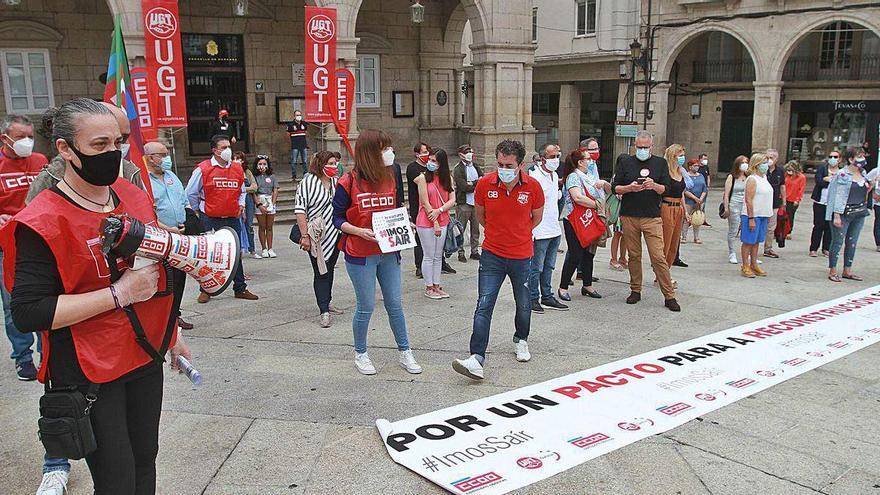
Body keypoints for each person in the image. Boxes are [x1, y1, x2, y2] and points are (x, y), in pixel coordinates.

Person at [2, 97, 191, 494]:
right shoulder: (41, 220)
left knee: (145, 459)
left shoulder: (131, 195)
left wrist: (171, 333)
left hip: (142, 351)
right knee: (115, 476)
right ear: (66, 150)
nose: (112, 153)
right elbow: (28, 311)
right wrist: (118, 294)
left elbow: (150, 268)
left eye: (116, 143)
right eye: (99, 145)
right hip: (88, 367)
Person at [452, 140, 544, 380]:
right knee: (484, 304)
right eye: (500, 163)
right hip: (492, 254)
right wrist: (498, 233)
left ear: (520, 164)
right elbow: (481, 216)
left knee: (524, 303)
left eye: (509, 164)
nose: (503, 168)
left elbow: (536, 218)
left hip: (522, 255)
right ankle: (476, 357)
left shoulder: (533, 187)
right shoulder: (484, 184)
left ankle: (521, 339)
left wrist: (518, 235)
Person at [332, 129, 421, 375]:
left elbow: (394, 208)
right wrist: (358, 231)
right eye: (384, 148)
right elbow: (336, 218)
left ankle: (405, 351)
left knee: (395, 303)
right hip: (360, 253)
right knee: (366, 305)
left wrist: (405, 223)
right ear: (370, 152)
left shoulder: (391, 175)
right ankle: (360, 353)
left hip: (389, 251)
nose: (389, 153)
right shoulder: (347, 182)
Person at [184, 134, 259, 302]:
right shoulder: (203, 169)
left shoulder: (237, 168)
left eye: (229, 147)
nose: (228, 150)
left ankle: (240, 288)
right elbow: (190, 193)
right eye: (224, 147)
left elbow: (241, 190)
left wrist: (241, 204)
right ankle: (206, 289)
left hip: (232, 217)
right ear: (215, 151)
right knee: (210, 255)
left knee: (235, 254)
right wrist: (197, 211)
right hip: (210, 217)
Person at [0, 114, 47, 381]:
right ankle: (23, 357)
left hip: (38, 241)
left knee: (42, 299)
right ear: (4, 138)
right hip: (6, 245)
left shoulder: (40, 162)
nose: (27, 142)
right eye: (20, 137)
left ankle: (45, 351)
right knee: (12, 304)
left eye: (30, 136)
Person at [611, 131, 680, 312]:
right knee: (634, 255)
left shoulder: (660, 163)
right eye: (639, 147)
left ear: (651, 146)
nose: (642, 150)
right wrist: (629, 188)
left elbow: (667, 188)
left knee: (658, 256)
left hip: (652, 216)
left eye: (645, 147)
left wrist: (654, 186)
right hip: (630, 215)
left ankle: (669, 294)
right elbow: (615, 186)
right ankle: (635, 289)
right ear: (635, 146)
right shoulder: (626, 162)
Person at [27, 104, 144, 205]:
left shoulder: (131, 180)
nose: (113, 150)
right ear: (65, 148)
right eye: (100, 143)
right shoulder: (50, 181)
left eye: (119, 141)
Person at [144, 140, 195, 331]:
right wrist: (168, 228)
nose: (167, 158)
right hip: (160, 237)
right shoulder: (143, 179)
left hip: (180, 236)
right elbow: (146, 213)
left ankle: (175, 314)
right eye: (163, 155)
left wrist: (187, 220)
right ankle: (163, 318)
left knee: (180, 278)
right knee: (164, 279)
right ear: (151, 158)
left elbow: (184, 201)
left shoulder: (172, 176)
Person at [295, 150, 344, 327]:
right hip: (316, 234)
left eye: (335, 163)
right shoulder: (308, 182)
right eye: (330, 163)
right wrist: (305, 236)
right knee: (320, 271)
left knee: (330, 269)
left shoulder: (335, 182)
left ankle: (328, 301)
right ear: (321, 164)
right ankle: (323, 309)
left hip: (334, 232)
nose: (334, 166)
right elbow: (300, 210)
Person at [558, 146, 608, 302]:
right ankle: (563, 287)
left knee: (589, 253)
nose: (591, 161)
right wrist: (598, 205)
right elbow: (577, 197)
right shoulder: (574, 177)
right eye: (588, 158)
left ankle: (587, 285)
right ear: (580, 162)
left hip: (587, 218)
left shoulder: (588, 176)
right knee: (575, 253)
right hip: (575, 219)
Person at [528, 144, 568, 313]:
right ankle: (532, 298)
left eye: (558, 156)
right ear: (543, 158)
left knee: (549, 266)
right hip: (540, 230)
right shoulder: (535, 176)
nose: (556, 160)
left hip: (554, 228)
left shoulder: (554, 176)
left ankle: (547, 295)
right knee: (536, 267)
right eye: (552, 157)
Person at [414, 149, 456, 299]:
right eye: (430, 160)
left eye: (434, 161)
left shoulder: (447, 179)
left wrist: (440, 210)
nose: (431, 163)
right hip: (426, 221)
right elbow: (425, 203)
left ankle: (437, 285)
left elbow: (452, 199)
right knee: (429, 254)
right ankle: (429, 286)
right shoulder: (422, 178)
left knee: (438, 255)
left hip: (442, 217)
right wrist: (436, 220)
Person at [826, 147, 872, 282]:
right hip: (843, 212)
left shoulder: (863, 173)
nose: (862, 159)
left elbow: (865, 192)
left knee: (852, 242)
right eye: (859, 157)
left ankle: (847, 270)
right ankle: (833, 270)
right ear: (851, 159)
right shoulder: (842, 175)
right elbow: (836, 196)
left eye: (863, 156)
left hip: (859, 212)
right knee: (837, 241)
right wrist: (836, 215)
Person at [740, 153, 773, 278]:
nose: (766, 165)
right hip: (753, 215)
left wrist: (769, 212)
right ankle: (745, 265)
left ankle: (754, 263)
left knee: (756, 241)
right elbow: (749, 200)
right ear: (757, 165)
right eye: (763, 163)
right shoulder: (752, 179)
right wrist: (751, 218)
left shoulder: (764, 178)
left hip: (763, 214)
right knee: (748, 241)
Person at [452, 144, 483, 262]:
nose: (470, 154)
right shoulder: (458, 169)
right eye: (467, 152)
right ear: (461, 155)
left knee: (475, 230)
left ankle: (474, 251)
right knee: (461, 229)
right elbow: (464, 186)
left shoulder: (475, 166)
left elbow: (482, 179)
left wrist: (472, 183)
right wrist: (476, 183)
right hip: (463, 203)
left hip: (476, 202)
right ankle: (460, 252)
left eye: (471, 151)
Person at [808, 151, 840, 257]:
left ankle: (826, 248)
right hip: (820, 201)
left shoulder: (842, 171)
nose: (833, 158)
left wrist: (827, 179)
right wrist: (829, 180)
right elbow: (819, 182)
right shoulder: (822, 168)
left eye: (835, 157)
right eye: (830, 156)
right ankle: (813, 248)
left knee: (829, 226)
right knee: (818, 225)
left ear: (840, 159)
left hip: (834, 203)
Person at [660, 146, 687, 269]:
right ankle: (661, 272)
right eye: (680, 155)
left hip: (678, 208)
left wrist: (685, 211)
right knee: (666, 241)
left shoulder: (680, 171)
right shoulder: (665, 171)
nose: (682, 157)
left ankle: (668, 269)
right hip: (667, 206)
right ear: (673, 156)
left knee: (675, 243)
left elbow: (682, 193)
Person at [722, 155, 749, 264]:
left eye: (746, 162)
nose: (745, 164)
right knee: (733, 230)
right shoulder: (732, 177)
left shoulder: (748, 177)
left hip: (745, 205)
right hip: (734, 205)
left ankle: (747, 253)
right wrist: (726, 207)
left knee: (746, 228)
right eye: (743, 162)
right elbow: (727, 194)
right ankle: (732, 252)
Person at [253, 154, 279, 258]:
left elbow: (275, 189)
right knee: (262, 226)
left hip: (269, 200)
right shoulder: (254, 177)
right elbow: (253, 192)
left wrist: (272, 203)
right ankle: (264, 248)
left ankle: (270, 248)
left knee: (269, 227)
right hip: (260, 200)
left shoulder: (272, 176)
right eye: (260, 164)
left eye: (264, 164)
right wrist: (259, 205)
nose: (262, 166)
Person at [763, 148, 785, 258]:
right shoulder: (761, 169)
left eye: (771, 158)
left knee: (771, 227)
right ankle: (753, 247)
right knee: (759, 225)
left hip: (774, 202)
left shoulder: (780, 170)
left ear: (776, 159)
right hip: (761, 202)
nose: (769, 160)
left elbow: (782, 186)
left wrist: (784, 202)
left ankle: (768, 248)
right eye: (767, 157)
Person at [608, 154, 628, 271]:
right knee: (618, 234)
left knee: (626, 235)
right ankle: (614, 258)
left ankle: (622, 257)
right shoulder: (617, 177)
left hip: (627, 209)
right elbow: (618, 193)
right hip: (620, 209)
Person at [683, 158, 707, 244]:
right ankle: (684, 236)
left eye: (697, 166)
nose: (697, 167)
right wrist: (694, 198)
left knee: (697, 218)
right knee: (686, 218)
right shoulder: (686, 176)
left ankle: (696, 237)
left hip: (699, 201)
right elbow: (684, 190)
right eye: (695, 166)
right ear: (690, 167)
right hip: (688, 201)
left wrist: (701, 198)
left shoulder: (701, 176)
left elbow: (705, 188)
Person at [240, 153, 259, 259]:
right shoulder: (232, 171)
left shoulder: (247, 172)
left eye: (239, 159)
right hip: (237, 200)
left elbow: (254, 187)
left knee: (249, 225)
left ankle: (252, 249)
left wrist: (243, 189)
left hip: (249, 200)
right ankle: (241, 249)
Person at [783, 160, 806, 239]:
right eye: (788, 169)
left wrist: (797, 199)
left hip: (793, 199)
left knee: (790, 216)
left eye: (791, 170)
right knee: (781, 215)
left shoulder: (801, 177)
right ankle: (780, 231)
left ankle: (789, 231)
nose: (789, 171)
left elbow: (801, 190)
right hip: (784, 198)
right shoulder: (786, 175)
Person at [287, 110, 308, 180]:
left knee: (304, 160)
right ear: (294, 116)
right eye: (297, 115)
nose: (298, 116)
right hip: (295, 145)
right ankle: (294, 175)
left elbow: (306, 132)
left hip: (303, 145)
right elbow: (288, 134)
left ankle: (305, 174)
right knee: (294, 161)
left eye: (299, 115)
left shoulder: (304, 124)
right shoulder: (290, 124)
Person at [867, 164, 880, 252]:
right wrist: (873, 183)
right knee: (878, 221)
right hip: (878, 202)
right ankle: (879, 243)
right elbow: (866, 180)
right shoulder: (877, 170)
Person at [697, 153, 712, 227]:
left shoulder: (706, 167)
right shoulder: (697, 167)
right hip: (698, 189)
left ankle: (703, 219)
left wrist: (708, 186)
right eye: (704, 159)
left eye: (706, 159)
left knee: (703, 204)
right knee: (697, 204)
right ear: (700, 159)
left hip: (705, 188)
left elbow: (708, 176)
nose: (706, 160)